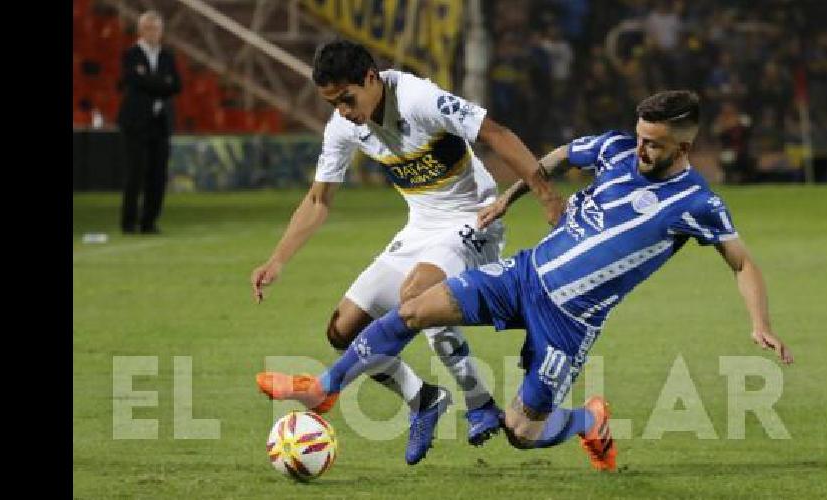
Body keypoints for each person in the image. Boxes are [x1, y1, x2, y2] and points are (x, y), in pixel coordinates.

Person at [257, 90, 794, 471]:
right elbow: (557, 158)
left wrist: (760, 322)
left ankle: (588, 421)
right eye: (639, 137)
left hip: (569, 324)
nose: (639, 149)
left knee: (521, 432)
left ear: (682, 149)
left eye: (653, 144)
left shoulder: (698, 203)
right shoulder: (613, 149)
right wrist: (510, 198)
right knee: (416, 307)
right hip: (523, 275)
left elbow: (741, 261)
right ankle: (325, 390)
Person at [250, 39, 564, 465]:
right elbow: (318, 200)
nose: (343, 110)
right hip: (420, 227)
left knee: (417, 292)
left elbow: (496, 133)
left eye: (347, 98)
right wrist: (277, 259)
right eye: (333, 103)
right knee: (343, 330)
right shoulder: (344, 125)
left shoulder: (418, 98)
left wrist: (545, 194)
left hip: (473, 220)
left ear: (370, 78)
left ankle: (478, 401)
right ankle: (424, 400)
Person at [116, 10, 181, 234]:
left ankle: (149, 221)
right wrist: (161, 83)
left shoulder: (167, 56)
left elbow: (176, 86)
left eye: (156, 28)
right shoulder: (131, 54)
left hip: (160, 122)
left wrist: (149, 82)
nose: (153, 33)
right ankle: (128, 222)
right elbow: (133, 81)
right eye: (148, 28)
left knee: (158, 174)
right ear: (140, 30)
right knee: (135, 172)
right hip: (135, 122)